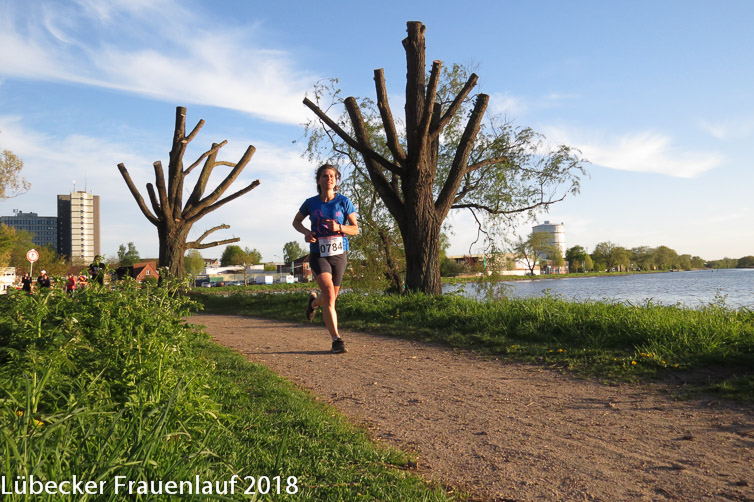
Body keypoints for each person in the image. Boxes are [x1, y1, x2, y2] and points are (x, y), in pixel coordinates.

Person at [292, 164, 358, 354]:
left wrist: (340, 227)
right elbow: (296, 221)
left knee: (331, 297)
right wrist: (306, 233)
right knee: (329, 293)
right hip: (318, 254)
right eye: (325, 176)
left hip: (339, 254)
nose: (329, 179)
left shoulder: (344, 201)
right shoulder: (310, 203)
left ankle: (313, 303)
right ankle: (336, 340)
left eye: (332, 176)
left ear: (336, 181)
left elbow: (355, 229)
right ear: (319, 180)